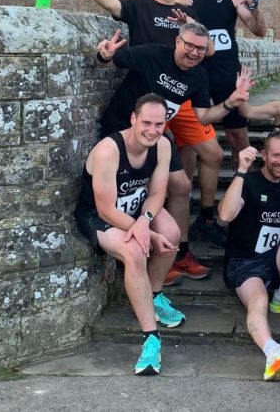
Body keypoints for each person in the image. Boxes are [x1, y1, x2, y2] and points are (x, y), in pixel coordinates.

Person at [69, 0, 223, 279]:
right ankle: (151, 247)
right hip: (133, 115)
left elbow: (207, 49)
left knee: (179, 183)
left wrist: (190, 25)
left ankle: (178, 251)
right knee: (140, 186)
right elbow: (110, 17)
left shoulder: (187, 16)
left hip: (169, 110)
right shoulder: (140, 8)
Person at [96, 21, 251, 280]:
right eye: (188, 45)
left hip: (155, 137)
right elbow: (110, 58)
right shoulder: (152, 54)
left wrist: (230, 102)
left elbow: (203, 117)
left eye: (200, 49)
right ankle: (140, 254)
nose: (193, 52)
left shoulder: (198, 75)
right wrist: (105, 53)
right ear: (177, 42)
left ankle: (179, 254)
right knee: (129, 191)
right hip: (121, 133)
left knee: (181, 185)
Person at [73, 94, 185, 375]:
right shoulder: (108, 150)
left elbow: (158, 193)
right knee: (134, 252)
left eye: (159, 124)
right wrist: (139, 230)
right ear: (134, 119)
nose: (152, 129)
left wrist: (145, 222)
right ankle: (151, 337)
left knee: (171, 231)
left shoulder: (162, 145)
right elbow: (106, 209)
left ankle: (155, 294)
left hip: (137, 211)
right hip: (100, 217)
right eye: (146, 122)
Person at [184, 0, 267, 246]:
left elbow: (258, 30)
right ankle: (197, 211)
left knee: (238, 138)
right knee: (193, 142)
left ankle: (241, 196)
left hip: (226, 77)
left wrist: (253, 7)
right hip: (195, 77)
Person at [217, 135, 280, 382]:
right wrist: (241, 170)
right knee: (258, 300)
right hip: (245, 263)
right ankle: (273, 352)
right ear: (264, 156)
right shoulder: (249, 182)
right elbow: (225, 215)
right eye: (276, 155)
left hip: (275, 263)